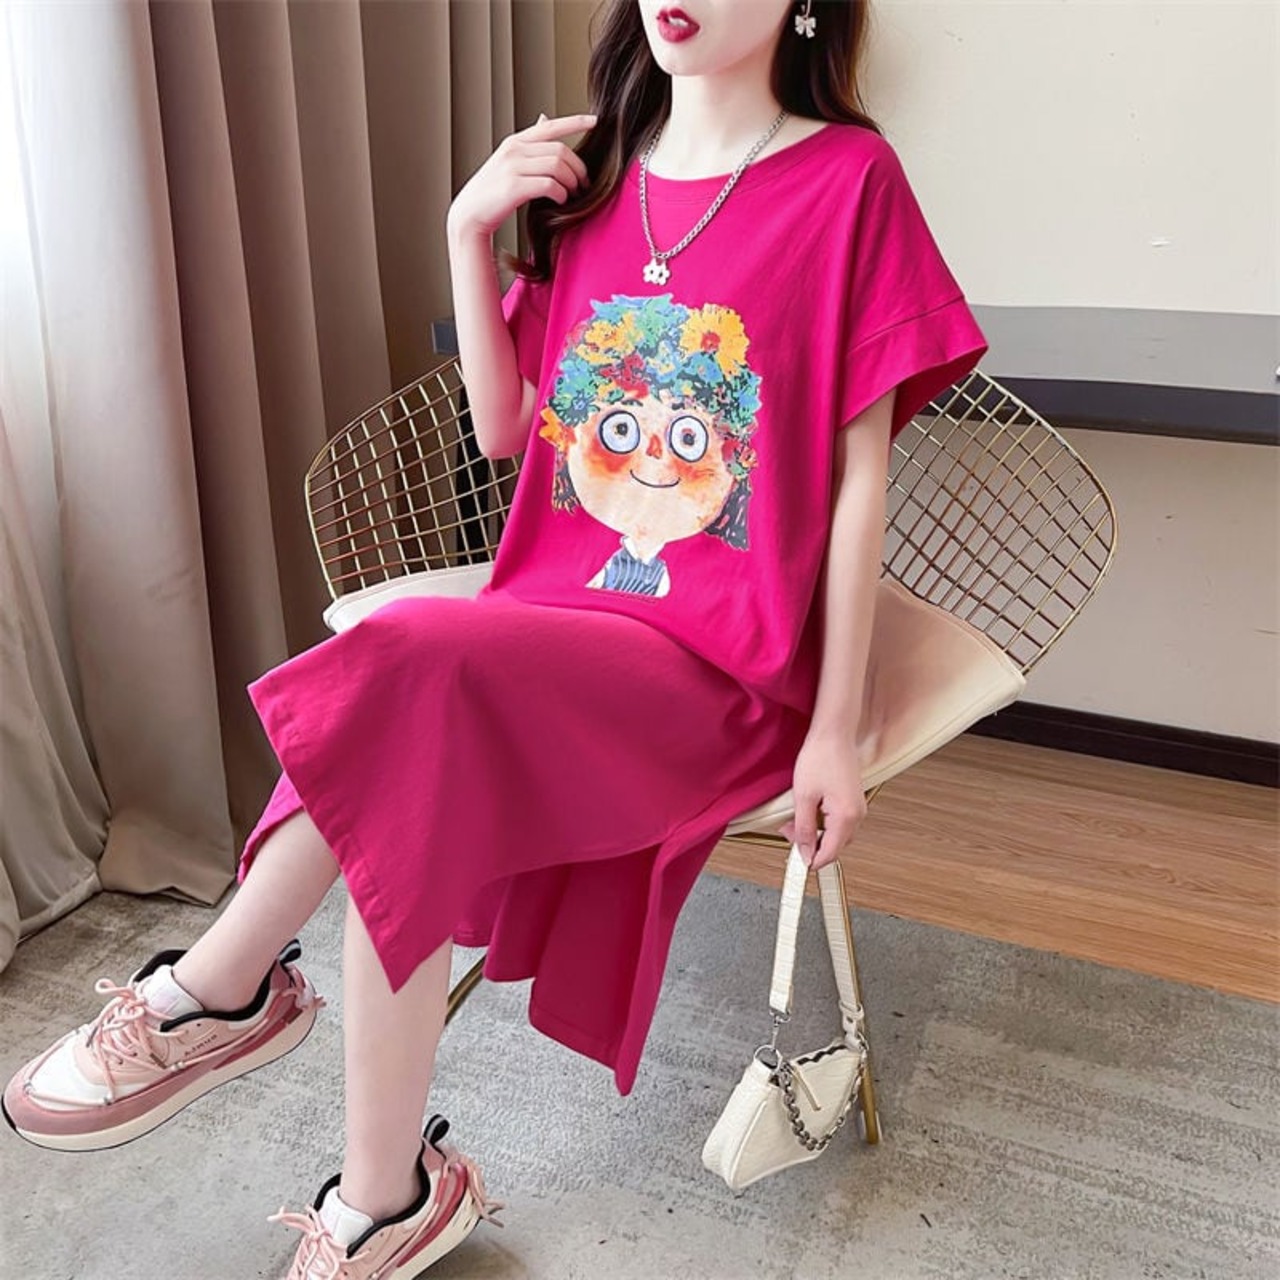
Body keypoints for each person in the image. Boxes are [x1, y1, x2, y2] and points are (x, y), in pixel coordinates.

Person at [2, 2, 987, 1277]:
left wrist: (834, 729)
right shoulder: (602, 179)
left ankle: (223, 990)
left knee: (410, 666)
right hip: (551, 617)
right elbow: (507, 428)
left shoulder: (850, 180)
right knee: (408, 719)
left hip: (714, 664)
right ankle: (380, 1195)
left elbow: (859, 480)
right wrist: (468, 232)